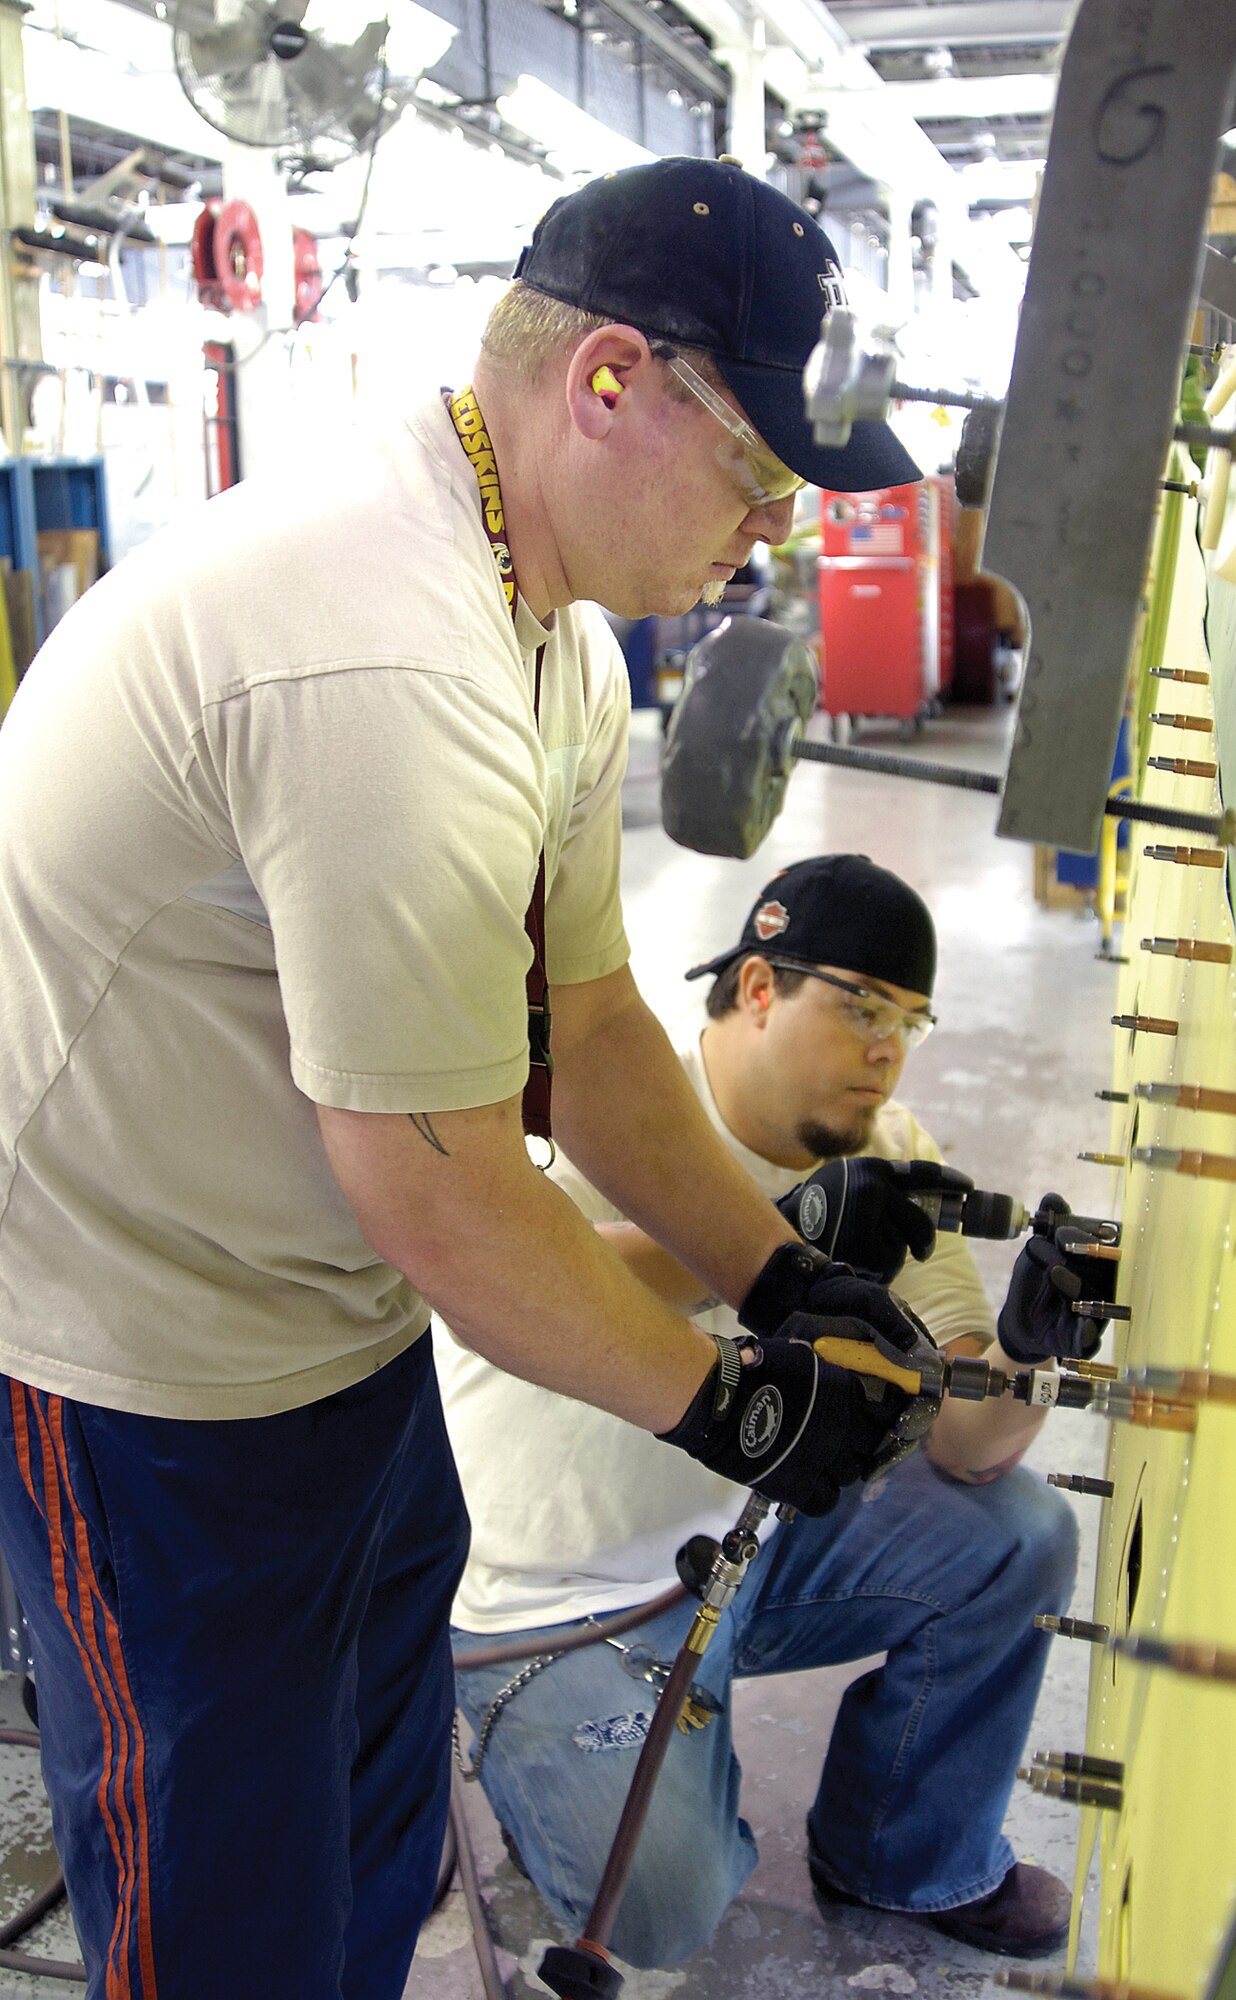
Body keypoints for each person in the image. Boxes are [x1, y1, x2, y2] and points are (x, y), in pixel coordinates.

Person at [0, 163, 940, 2000]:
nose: (767, 533)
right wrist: (733, 1409)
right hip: (143, 1360)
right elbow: (435, 1185)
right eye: (756, 476)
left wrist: (775, 1271)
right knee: (220, 1895)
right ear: (606, 379)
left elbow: (582, 1026)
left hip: (330, 1329)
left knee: (366, 1812)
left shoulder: (552, 636)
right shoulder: (382, 648)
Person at [445, 855, 1112, 1965]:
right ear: (759, 985)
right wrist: (781, 1236)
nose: (888, 1047)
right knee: (666, 1915)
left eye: (910, 1020)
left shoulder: (887, 1153)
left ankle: (907, 1850)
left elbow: (965, 1441)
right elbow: (525, 1272)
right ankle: (546, 1770)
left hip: (750, 1533)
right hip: (566, 1587)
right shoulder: (604, 1103)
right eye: (860, 1006)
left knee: (1019, 1538)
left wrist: (1027, 1351)